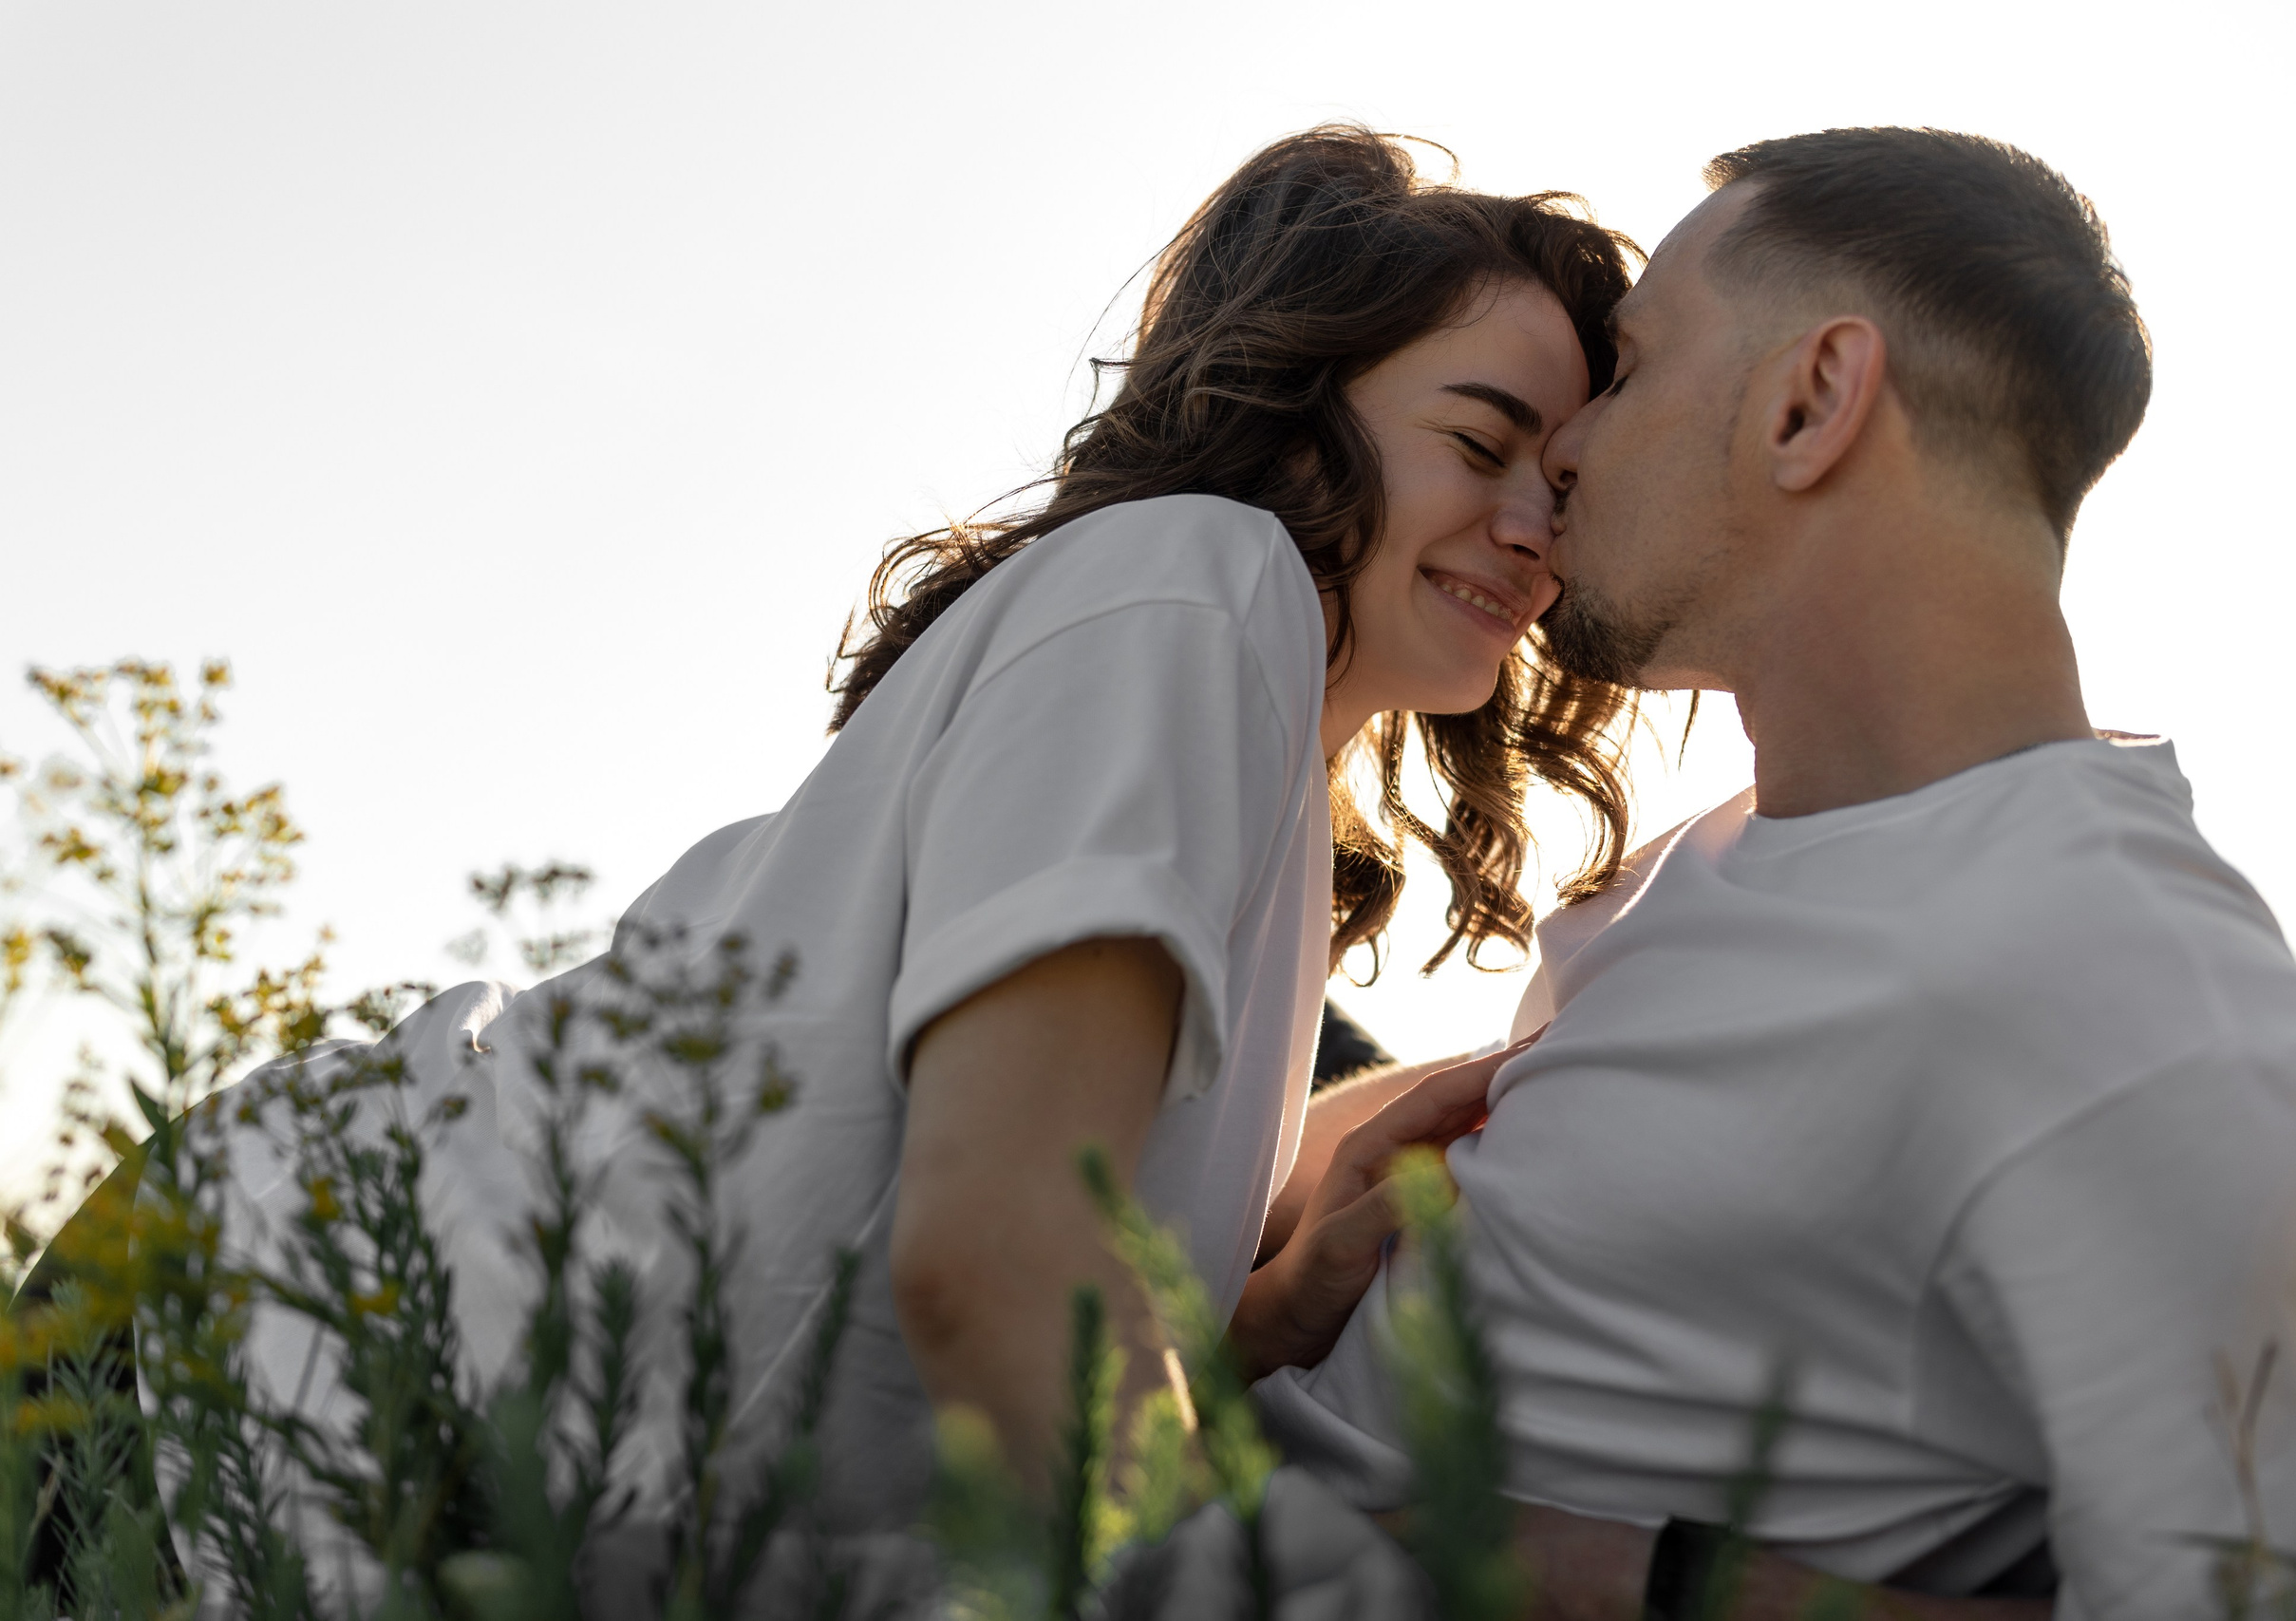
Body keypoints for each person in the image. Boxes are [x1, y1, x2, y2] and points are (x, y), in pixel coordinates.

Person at [205, 125, 1650, 1602]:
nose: (1537, 530)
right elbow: (995, 1267)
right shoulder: (1204, 584)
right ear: (1293, 421)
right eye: (1480, 446)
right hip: (263, 1350)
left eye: (1569, 478)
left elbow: (951, 1364)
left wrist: (1259, 1323)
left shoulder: (1262, 804)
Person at [1258, 127, 2296, 1621]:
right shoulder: (1714, 864)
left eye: (1628, 366)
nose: (1567, 442)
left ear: (1811, 401)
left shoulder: (2153, 1009)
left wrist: (1642, 1585)